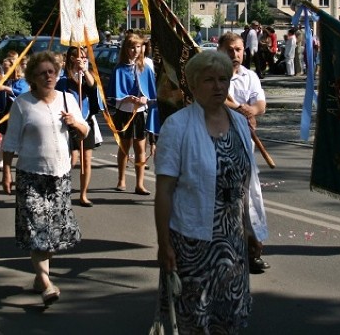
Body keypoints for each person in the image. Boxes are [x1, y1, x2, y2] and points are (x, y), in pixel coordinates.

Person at [154, 51, 268, 333]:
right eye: (209, 80)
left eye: (223, 80)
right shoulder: (177, 126)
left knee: (230, 316)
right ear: (193, 85)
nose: (218, 86)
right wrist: (164, 243)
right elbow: (164, 190)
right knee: (196, 319)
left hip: (233, 240)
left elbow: (245, 186)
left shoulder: (239, 123)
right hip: (193, 242)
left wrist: (251, 229)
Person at [0, 51, 88, 306]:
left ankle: (40, 277)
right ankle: (47, 284)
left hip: (60, 175)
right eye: (42, 73)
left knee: (52, 234)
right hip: (31, 175)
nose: (49, 76)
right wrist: (6, 171)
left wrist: (75, 123)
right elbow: (11, 141)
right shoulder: (22, 104)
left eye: (52, 71)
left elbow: (85, 131)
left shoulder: (68, 99)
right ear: (32, 78)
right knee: (36, 230)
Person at [218, 32, 270, 274]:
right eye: (230, 50)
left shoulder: (250, 77)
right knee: (222, 201)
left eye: (238, 50)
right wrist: (239, 108)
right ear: (220, 51)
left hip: (244, 149)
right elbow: (218, 100)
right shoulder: (213, 76)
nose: (235, 54)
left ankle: (253, 250)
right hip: (217, 146)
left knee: (251, 198)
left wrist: (250, 110)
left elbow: (260, 105)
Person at [109, 33, 157, 195]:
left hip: (140, 114)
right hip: (124, 112)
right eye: (132, 47)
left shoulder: (146, 67)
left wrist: (145, 99)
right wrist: (126, 99)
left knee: (140, 149)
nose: (135, 50)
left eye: (138, 47)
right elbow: (114, 95)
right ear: (126, 49)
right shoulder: (119, 69)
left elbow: (151, 93)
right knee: (124, 147)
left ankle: (140, 184)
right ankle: (121, 180)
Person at [57, 46, 102, 207]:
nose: (82, 60)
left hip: (85, 120)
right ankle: (61, 188)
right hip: (67, 122)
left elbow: (92, 88)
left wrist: (84, 70)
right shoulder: (63, 79)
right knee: (71, 159)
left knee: (86, 160)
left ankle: (83, 194)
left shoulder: (87, 76)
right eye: (78, 57)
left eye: (84, 57)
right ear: (71, 58)